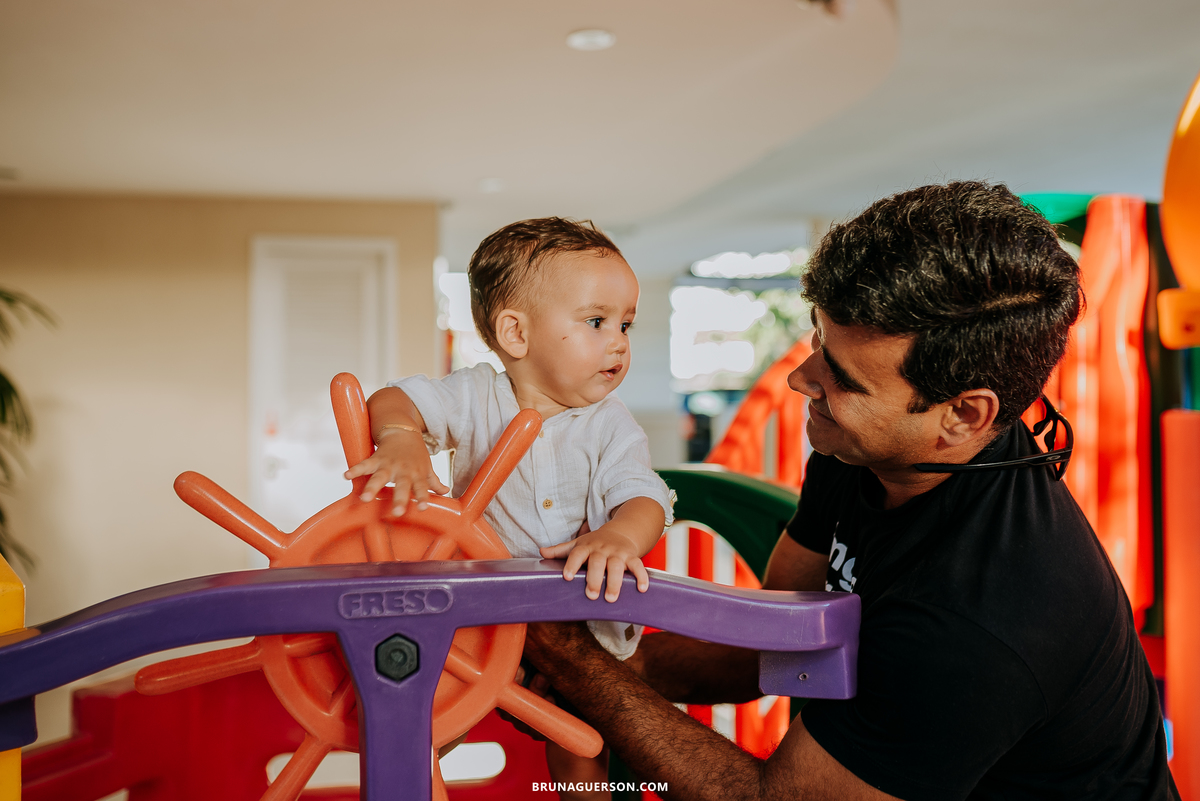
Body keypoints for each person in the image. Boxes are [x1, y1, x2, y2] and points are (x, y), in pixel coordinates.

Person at [522, 182, 1179, 800]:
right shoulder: (861, 449)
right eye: (816, 341)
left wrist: (576, 663)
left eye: (842, 376)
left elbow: (779, 799)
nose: (801, 380)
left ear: (965, 414)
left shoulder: (986, 616)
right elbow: (780, 638)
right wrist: (608, 661)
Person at [345, 217, 674, 797]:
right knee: (426, 723)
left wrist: (622, 536)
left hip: (577, 621)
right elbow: (393, 399)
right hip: (479, 618)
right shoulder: (474, 396)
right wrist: (400, 438)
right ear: (516, 333)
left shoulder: (609, 424)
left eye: (625, 323)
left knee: (581, 740)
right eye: (597, 322)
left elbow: (643, 495)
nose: (619, 341)